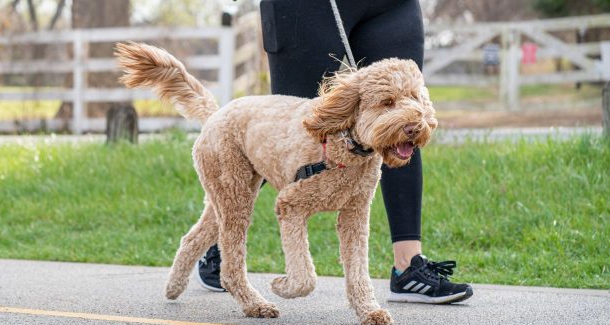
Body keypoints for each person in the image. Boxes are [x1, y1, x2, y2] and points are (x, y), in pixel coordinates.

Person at [197, 0, 473, 304]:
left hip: (392, 5)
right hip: (308, 7)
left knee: (403, 122)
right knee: (296, 132)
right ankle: (221, 244)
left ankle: (407, 267)